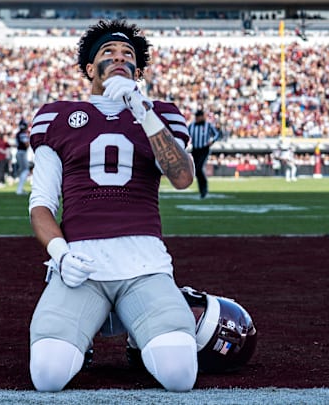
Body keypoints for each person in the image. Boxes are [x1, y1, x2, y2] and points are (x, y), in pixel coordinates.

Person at [27, 19, 197, 393]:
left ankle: (142, 335)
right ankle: (93, 329)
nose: (120, 59)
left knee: (180, 375)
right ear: (90, 68)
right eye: (108, 53)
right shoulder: (56, 116)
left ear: (137, 70)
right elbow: (41, 205)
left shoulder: (160, 114)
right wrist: (61, 256)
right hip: (81, 266)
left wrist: (140, 106)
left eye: (128, 55)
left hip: (144, 263)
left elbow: (183, 178)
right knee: (48, 376)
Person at [187, 109, 221, 198]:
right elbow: (186, 135)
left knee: (199, 168)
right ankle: (202, 190)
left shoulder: (208, 125)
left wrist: (212, 141)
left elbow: (217, 134)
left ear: (202, 117)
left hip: (204, 149)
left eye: (198, 117)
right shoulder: (191, 126)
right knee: (197, 170)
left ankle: (204, 189)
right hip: (195, 150)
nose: (197, 118)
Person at [14, 120, 30, 195]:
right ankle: (19, 190)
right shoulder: (23, 134)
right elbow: (26, 143)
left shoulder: (18, 133)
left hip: (20, 152)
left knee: (23, 170)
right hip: (22, 152)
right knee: (26, 170)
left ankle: (19, 189)